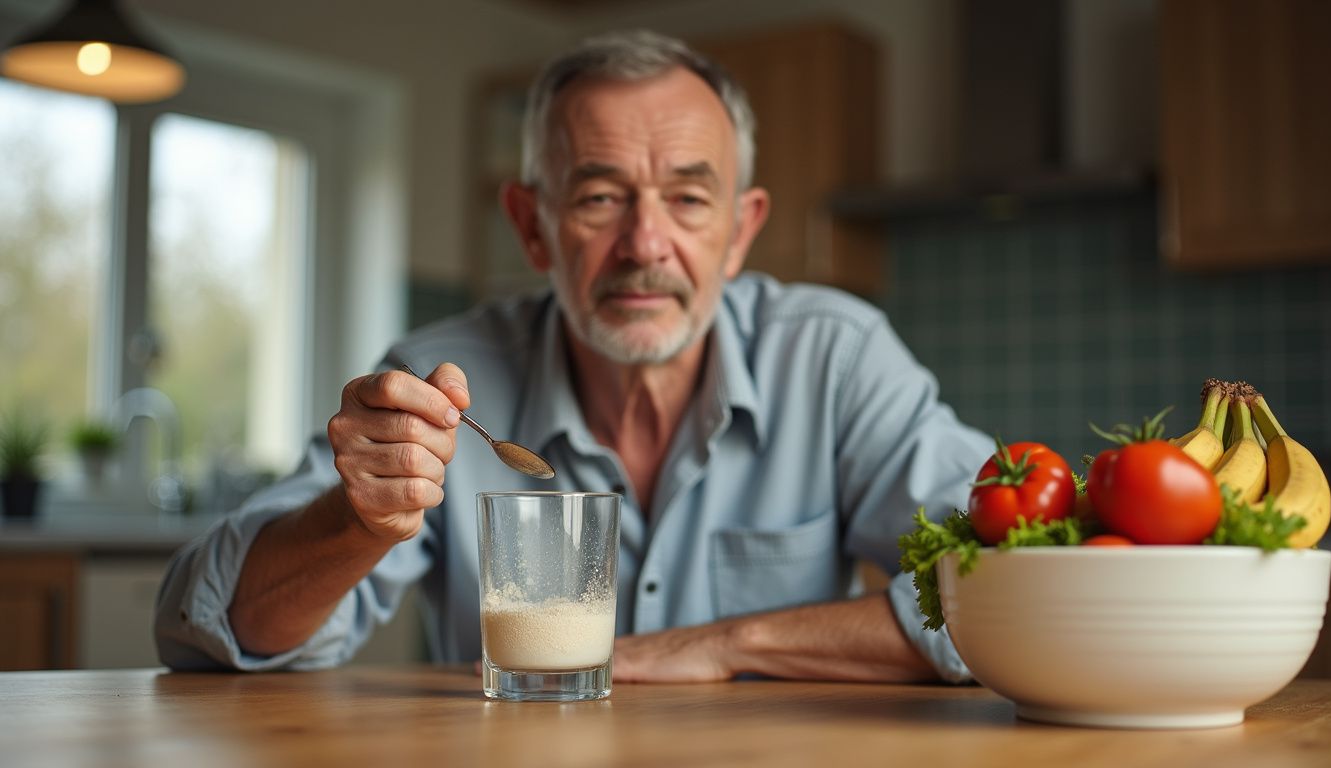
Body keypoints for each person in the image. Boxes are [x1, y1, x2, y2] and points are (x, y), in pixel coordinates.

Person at [154, 29, 993, 683]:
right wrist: (357, 520)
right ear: (531, 226)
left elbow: (1006, 583)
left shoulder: (836, 361)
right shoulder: (436, 374)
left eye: (689, 200)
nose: (645, 243)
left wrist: (728, 645)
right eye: (599, 197)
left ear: (740, 231)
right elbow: (210, 631)